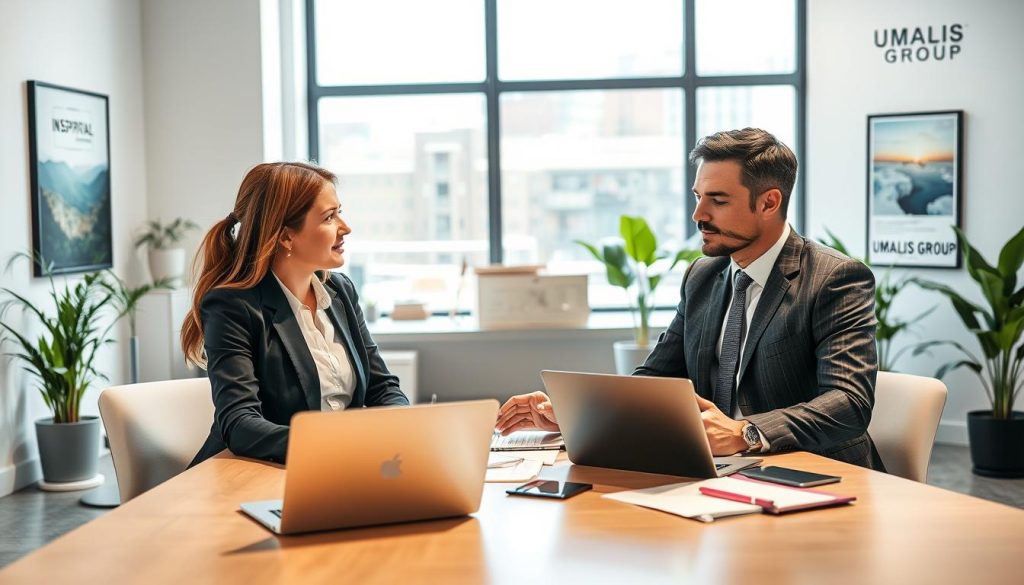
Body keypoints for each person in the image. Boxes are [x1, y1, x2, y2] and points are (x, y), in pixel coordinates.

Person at [496, 128, 884, 469]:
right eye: (698, 196)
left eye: (718, 200)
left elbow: (848, 402)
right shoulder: (703, 276)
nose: (698, 214)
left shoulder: (834, 279)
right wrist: (576, 416)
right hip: (716, 471)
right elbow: (653, 381)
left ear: (768, 203)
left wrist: (744, 433)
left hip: (813, 474)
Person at [182, 162, 409, 466]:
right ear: (286, 237)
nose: (345, 227)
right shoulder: (231, 305)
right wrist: (332, 447)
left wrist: (407, 431)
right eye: (330, 217)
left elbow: (383, 388)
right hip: (253, 473)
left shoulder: (341, 292)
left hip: (339, 469)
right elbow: (239, 423)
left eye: (339, 211)